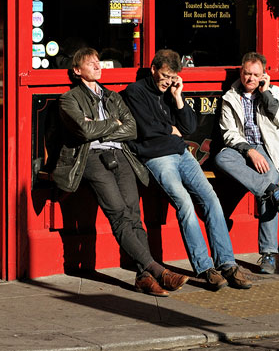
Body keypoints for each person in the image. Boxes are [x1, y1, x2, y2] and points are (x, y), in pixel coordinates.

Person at [54, 47, 189, 297]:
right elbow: (84, 131)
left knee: (133, 215)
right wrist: (110, 124)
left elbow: (131, 129)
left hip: (121, 155)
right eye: (91, 63)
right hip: (91, 158)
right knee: (118, 214)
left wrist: (100, 127)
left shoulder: (113, 96)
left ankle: (143, 277)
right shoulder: (69, 99)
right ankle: (156, 270)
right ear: (76, 70)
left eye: (98, 62)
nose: (98, 66)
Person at [123, 49, 252, 291]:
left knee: (212, 199)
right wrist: (170, 129)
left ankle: (227, 263)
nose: (168, 81)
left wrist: (179, 97)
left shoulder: (171, 92)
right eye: (164, 76)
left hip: (182, 154)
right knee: (184, 203)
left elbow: (189, 126)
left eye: (172, 77)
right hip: (157, 158)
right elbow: (146, 129)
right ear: (153, 70)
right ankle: (204, 268)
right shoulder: (136, 92)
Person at [214, 52, 279, 275]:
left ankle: (268, 254)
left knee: (269, 176)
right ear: (241, 72)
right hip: (242, 149)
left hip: (268, 150)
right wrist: (249, 151)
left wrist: (266, 92)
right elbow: (228, 133)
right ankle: (271, 191)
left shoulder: (274, 92)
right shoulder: (231, 96)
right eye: (247, 73)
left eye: (256, 75)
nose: (250, 78)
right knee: (222, 158)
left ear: (263, 75)